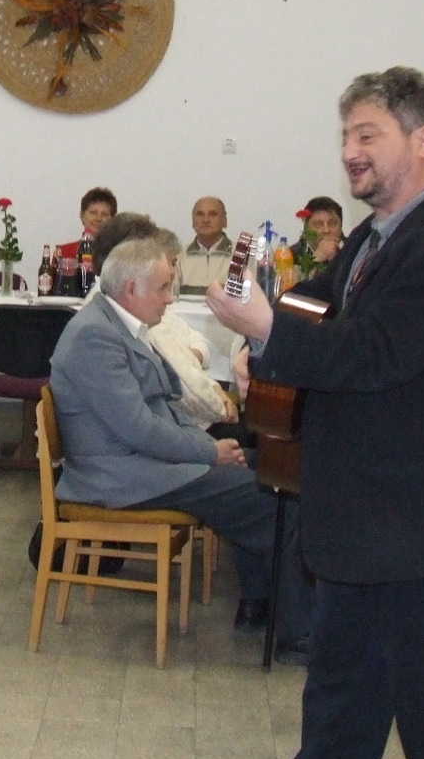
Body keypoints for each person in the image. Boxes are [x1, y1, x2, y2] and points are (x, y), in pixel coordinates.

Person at [203, 66, 424, 759]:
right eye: (345, 137)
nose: (349, 152)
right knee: (342, 687)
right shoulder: (382, 236)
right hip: (370, 512)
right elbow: (321, 305)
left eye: (367, 135)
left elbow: (374, 355)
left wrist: (268, 329)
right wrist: (263, 330)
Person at [49, 236, 304, 639]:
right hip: (119, 475)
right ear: (131, 289)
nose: (170, 299)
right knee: (269, 499)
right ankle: (295, 630)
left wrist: (208, 447)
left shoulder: (116, 323)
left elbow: (161, 410)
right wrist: (209, 450)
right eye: (164, 288)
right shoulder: (95, 336)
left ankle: (258, 603)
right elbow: (140, 428)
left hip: (137, 461)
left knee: (271, 471)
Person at [89, 213, 235, 429]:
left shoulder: (105, 301)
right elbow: (184, 386)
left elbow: (190, 348)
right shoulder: (127, 311)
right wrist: (221, 406)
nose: (169, 299)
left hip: (167, 424)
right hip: (171, 426)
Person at [175, 197, 231, 295]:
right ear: (193, 222)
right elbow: (171, 297)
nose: (206, 220)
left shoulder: (242, 255)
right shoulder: (179, 256)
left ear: (224, 221)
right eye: (200, 215)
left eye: (212, 214)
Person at [53, 187, 117, 265]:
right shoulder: (63, 252)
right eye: (93, 213)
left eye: (104, 214)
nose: (98, 218)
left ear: (113, 220)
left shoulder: (119, 254)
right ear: (82, 216)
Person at [301, 196, 344, 266]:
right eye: (318, 224)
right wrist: (316, 259)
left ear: (341, 225)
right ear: (307, 228)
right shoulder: (290, 256)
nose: (326, 230)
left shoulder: (356, 250)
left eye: (332, 223)